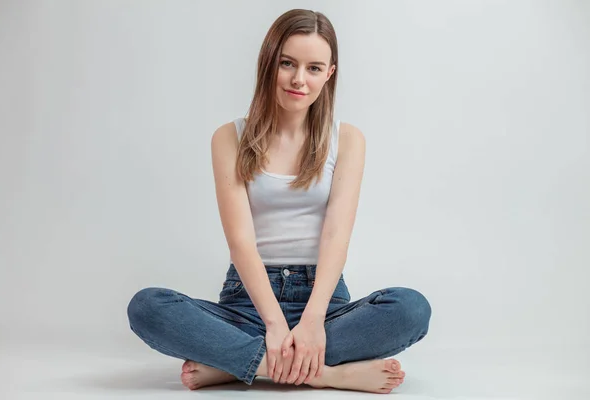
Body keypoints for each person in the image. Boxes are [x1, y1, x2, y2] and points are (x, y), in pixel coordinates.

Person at [127, 9, 431, 394]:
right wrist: (273, 324)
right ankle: (326, 373)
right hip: (247, 305)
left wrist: (313, 321)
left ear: (329, 74)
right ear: (269, 62)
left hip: (324, 302)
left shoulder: (348, 140)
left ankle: (237, 364)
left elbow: (337, 234)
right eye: (287, 63)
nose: (299, 79)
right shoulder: (229, 137)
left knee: (412, 309)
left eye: (314, 68)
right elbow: (240, 241)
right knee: (147, 307)